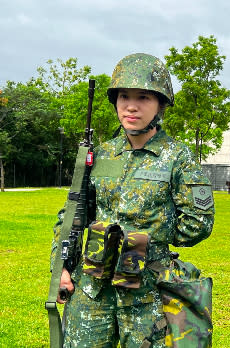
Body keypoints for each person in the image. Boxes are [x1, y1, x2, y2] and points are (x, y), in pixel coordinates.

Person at [51, 53, 215, 348]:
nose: (131, 105)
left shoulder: (178, 157)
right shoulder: (100, 154)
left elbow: (199, 223)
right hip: (92, 290)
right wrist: (61, 266)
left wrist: (146, 242)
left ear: (161, 104)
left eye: (143, 97)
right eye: (124, 96)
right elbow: (71, 214)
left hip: (146, 293)